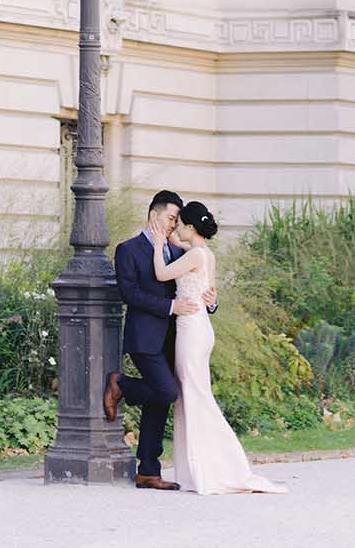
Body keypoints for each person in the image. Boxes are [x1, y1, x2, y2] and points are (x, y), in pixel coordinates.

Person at [150, 200, 286, 495]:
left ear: (189, 226)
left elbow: (162, 274)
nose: (174, 229)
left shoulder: (194, 254)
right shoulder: (204, 254)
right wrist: (171, 240)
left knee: (196, 398)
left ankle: (223, 466)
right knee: (191, 397)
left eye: (178, 224)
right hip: (200, 328)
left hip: (192, 330)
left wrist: (159, 244)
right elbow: (209, 292)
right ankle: (197, 469)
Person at [106, 189, 215, 491]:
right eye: (170, 218)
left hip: (178, 337)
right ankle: (120, 385)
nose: (173, 225)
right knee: (166, 391)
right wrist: (170, 307)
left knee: (159, 401)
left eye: (177, 220)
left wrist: (211, 300)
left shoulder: (180, 250)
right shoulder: (128, 250)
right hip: (145, 337)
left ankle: (148, 471)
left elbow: (193, 286)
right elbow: (130, 295)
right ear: (154, 215)